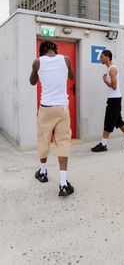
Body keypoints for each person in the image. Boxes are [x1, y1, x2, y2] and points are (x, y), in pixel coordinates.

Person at [29, 40, 75, 197]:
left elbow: (32, 81)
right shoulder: (66, 59)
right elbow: (71, 76)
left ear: (41, 51)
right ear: (54, 49)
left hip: (46, 108)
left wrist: (38, 71)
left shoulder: (38, 62)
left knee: (43, 139)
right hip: (62, 108)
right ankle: (63, 184)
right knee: (63, 142)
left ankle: (42, 173)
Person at [91, 50, 124, 152]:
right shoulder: (110, 69)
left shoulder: (112, 69)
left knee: (108, 121)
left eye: (102, 57)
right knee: (118, 121)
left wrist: (105, 81)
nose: (101, 59)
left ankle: (103, 145)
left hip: (114, 99)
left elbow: (114, 86)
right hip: (114, 99)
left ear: (108, 57)